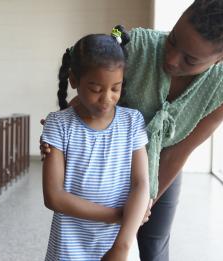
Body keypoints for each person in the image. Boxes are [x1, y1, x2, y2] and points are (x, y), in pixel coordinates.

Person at [41, 1, 223, 260]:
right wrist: (58, 135)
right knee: (90, 236)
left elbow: (179, 151)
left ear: (222, 57)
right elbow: (92, 94)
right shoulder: (138, 46)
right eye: (173, 40)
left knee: (153, 244)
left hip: (161, 165)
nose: (171, 59)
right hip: (106, 161)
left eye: (190, 59)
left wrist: (141, 209)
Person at [41, 26, 151, 261]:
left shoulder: (132, 121)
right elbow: (53, 196)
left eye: (115, 88)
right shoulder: (59, 124)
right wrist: (118, 215)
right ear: (74, 81)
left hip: (119, 241)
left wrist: (122, 246)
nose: (106, 98)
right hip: (68, 247)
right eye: (95, 89)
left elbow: (141, 183)